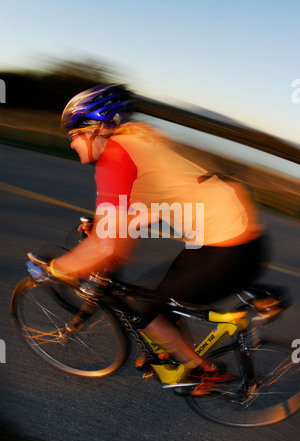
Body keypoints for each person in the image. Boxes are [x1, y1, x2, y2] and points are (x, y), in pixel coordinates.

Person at [48, 84, 268, 391]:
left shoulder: (116, 156)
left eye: (74, 135)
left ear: (96, 129)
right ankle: (170, 351)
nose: (72, 144)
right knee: (156, 297)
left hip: (227, 247)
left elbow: (112, 247)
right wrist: (102, 229)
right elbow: (146, 207)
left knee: (141, 307)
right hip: (227, 235)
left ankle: (205, 371)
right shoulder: (137, 139)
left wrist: (57, 268)